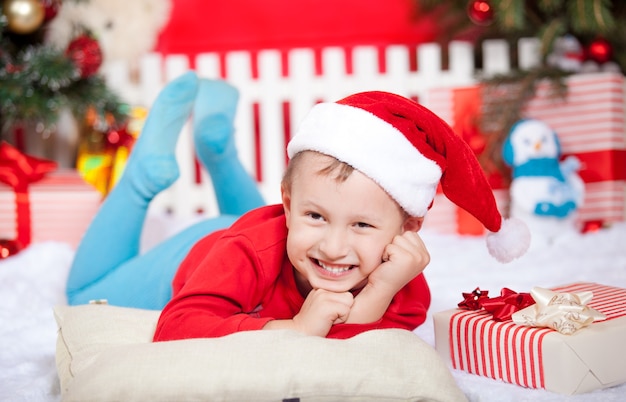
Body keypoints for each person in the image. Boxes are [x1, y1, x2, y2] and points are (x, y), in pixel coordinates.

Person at [67, 71, 530, 341]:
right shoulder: (250, 249)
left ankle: (218, 149)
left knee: (274, 234)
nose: (333, 247)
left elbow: (354, 349)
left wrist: (377, 291)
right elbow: (178, 327)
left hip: (258, 231)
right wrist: (285, 332)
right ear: (287, 204)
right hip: (206, 253)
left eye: (363, 224)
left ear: (408, 227)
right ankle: (141, 179)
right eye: (316, 215)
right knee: (80, 293)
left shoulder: (402, 283)